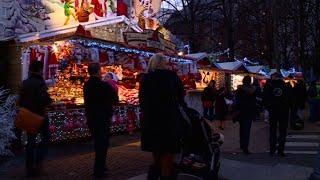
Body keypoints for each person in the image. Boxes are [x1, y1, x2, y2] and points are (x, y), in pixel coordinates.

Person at [139, 53, 185, 180]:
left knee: (156, 150)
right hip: (169, 119)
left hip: (151, 120)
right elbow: (181, 96)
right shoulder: (171, 76)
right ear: (164, 63)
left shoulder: (146, 78)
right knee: (168, 152)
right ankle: (165, 176)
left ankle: (154, 174)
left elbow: (142, 101)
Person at [84, 63, 119, 178]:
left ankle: (101, 166)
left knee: (98, 143)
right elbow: (115, 99)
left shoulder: (86, 85)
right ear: (99, 71)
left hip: (91, 117)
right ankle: (99, 169)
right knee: (102, 144)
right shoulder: (103, 85)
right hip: (103, 118)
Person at [19, 61, 52, 177]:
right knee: (46, 138)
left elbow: (20, 100)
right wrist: (49, 101)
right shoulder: (40, 83)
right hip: (40, 115)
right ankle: (38, 163)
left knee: (30, 142)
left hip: (28, 114)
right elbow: (45, 100)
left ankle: (29, 168)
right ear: (40, 70)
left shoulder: (25, 83)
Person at [264, 72, 289, 157]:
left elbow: (265, 98)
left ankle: (272, 149)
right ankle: (280, 150)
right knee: (282, 131)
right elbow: (289, 99)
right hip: (283, 111)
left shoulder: (269, 86)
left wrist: (268, 108)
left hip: (273, 111)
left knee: (272, 131)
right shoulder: (285, 86)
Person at [235, 75, 256, 154]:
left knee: (242, 128)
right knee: (247, 130)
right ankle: (245, 147)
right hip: (249, 111)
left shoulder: (239, 89)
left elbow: (237, 101)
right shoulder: (252, 90)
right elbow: (254, 101)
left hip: (241, 111)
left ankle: (242, 144)